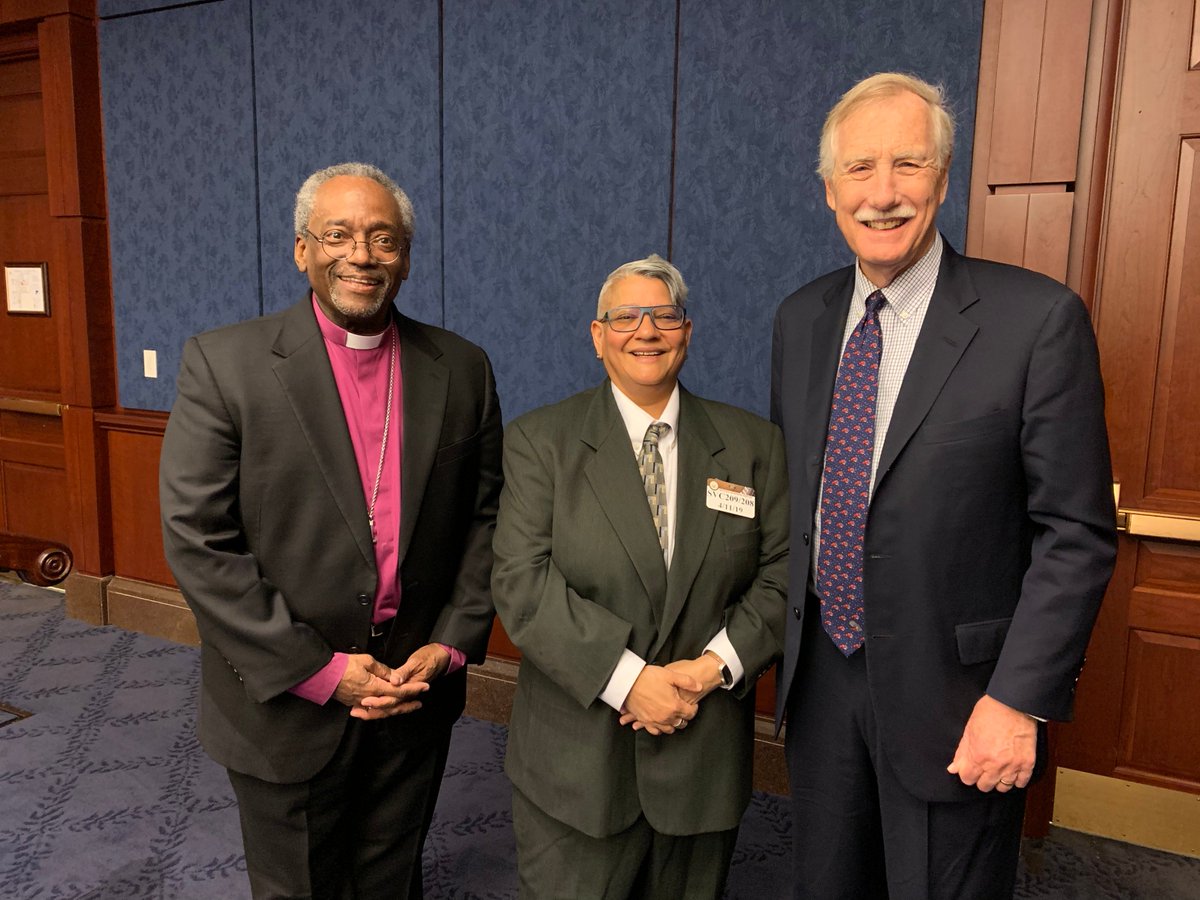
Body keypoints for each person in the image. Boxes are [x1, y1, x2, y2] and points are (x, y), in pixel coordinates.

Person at [771, 72, 1118, 899]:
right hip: (821, 685)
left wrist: (1018, 700)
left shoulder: (1036, 321)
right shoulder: (800, 320)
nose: (882, 194)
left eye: (908, 166)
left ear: (944, 178)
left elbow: (1076, 532)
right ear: (828, 190)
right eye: (859, 170)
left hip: (963, 701)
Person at [159, 162, 502, 899]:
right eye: (338, 234)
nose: (362, 254)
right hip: (283, 697)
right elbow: (199, 540)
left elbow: (485, 520)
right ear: (302, 250)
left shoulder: (463, 368)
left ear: (405, 257)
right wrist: (319, 670)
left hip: (414, 686)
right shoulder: (225, 364)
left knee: (391, 877)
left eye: (383, 238)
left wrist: (449, 642)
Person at [491, 255, 788, 899]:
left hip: (702, 752)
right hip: (577, 769)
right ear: (598, 337)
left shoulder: (754, 446)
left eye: (665, 315)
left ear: (687, 333)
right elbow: (522, 584)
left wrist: (710, 669)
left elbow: (783, 576)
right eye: (625, 316)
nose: (645, 330)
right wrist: (630, 682)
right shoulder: (539, 442)